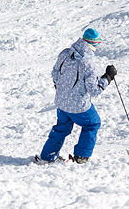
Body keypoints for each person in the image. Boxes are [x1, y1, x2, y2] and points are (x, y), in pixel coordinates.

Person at [36, 28, 117, 164]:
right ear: (94, 44)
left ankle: (47, 157)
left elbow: (55, 74)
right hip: (79, 106)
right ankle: (81, 156)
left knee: (61, 128)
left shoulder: (65, 54)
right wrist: (108, 77)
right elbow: (94, 91)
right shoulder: (88, 63)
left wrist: (63, 90)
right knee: (92, 124)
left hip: (61, 103)